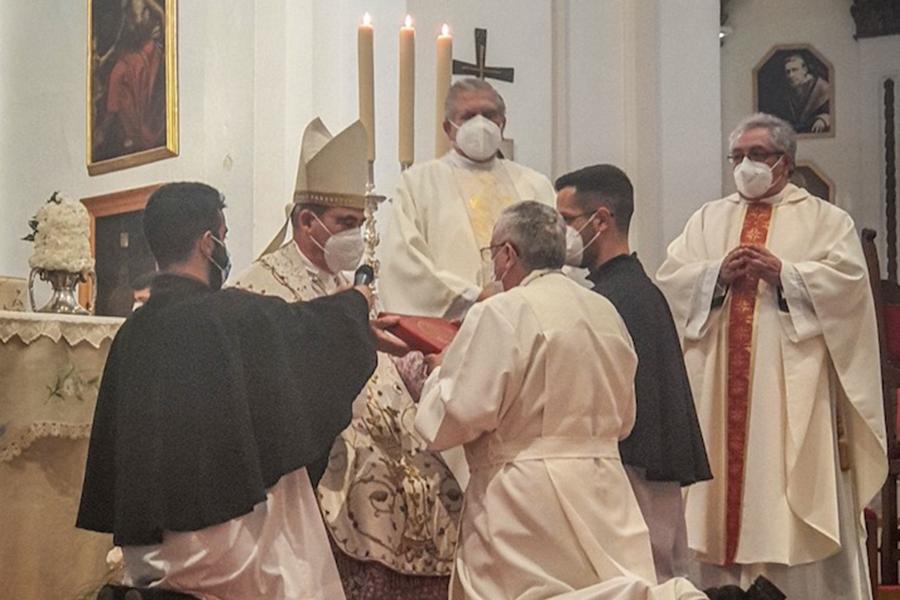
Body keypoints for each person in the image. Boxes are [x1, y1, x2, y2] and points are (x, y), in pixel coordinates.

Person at [76, 182, 390, 599]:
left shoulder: (132, 334)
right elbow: (309, 335)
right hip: (220, 554)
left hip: (146, 551)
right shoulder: (231, 317)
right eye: (222, 236)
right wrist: (357, 302)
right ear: (208, 244)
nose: (224, 245)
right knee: (291, 509)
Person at [414, 201, 713, 600]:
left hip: (525, 498)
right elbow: (625, 418)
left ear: (507, 255)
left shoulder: (503, 311)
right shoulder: (603, 309)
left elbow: (458, 414)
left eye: (493, 253)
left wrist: (437, 374)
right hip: (605, 491)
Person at [656, 113, 887, 598]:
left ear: (785, 162)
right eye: (737, 156)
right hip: (718, 397)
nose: (745, 165)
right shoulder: (707, 220)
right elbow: (671, 283)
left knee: (787, 495)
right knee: (717, 503)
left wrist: (788, 276)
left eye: (757, 155)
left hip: (791, 397)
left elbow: (849, 291)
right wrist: (714, 276)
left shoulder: (825, 220)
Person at [233, 118, 462, 600]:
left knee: (436, 481)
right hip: (320, 448)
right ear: (304, 221)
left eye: (359, 225)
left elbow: (383, 370)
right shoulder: (257, 287)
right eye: (344, 224)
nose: (355, 236)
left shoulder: (346, 288)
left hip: (390, 438)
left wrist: (421, 362)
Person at [555, 164, 712, 582]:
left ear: (600, 220)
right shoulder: (632, 290)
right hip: (647, 472)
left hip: (633, 475)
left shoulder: (615, 300)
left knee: (640, 580)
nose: (560, 234)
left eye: (566, 220)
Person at [379, 78, 556, 321]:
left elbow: (557, 257)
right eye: (469, 116)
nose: (480, 124)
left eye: (489, 115)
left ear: (502, 124)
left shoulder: (535, 184)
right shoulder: (418, 183)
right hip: (456, 327)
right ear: (448, 128)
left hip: (529, 320)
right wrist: (474, 297)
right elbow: (405, 263)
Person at [767, 53, 830, 134]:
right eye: (788, 72)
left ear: (805, 69)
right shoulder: (785, 90)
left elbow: (834, 113)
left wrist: (823, 119)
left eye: (794, 70)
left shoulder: (822, 88)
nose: (791, 75)